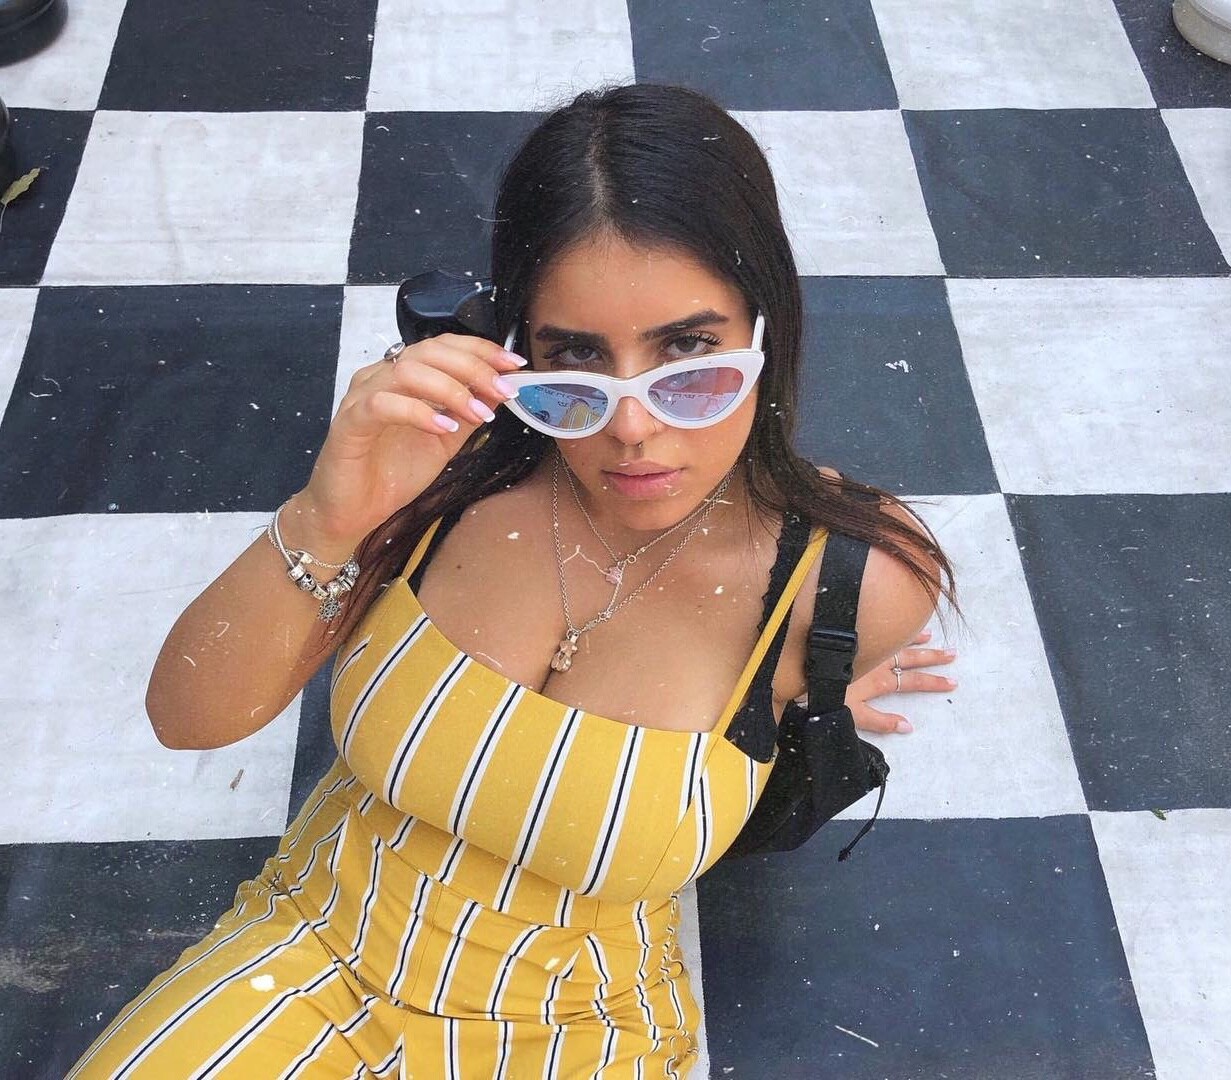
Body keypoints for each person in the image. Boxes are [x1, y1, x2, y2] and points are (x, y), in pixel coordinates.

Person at [67, 80, 964, 1079]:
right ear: (513, 345)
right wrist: (328, 517)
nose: (633, 428)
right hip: (309, 950)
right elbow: (189, 721)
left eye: (689, 355)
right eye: (574, 361)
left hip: (578, 1023)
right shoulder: (442, 464)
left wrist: (812, 682)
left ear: (768, 330)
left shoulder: (849, 580)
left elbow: (806, 682)